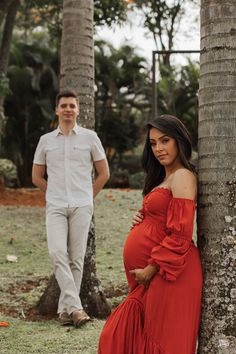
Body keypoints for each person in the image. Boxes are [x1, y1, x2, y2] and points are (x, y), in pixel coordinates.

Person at [98, 115, 202, 354]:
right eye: (153, 143)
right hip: (153, 275)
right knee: (120, 337)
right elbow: (163, 217)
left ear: (179, 141)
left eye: (165, 141)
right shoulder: (164, 178)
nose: (158, 148)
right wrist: (143, 217)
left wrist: (150, 269)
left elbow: (181, 235)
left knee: (160, 342)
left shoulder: (183, 176)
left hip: (170, 272)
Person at [32, 90, 109, 328]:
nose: (67, 109)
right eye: (63, 105)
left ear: (78, 110)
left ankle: (65, 311)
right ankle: (76, 307)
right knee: (57, 253)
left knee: (76, 259)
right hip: (55, 205)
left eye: (72, 106)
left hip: (81, 205)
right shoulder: (46, 140)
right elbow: (36, 176)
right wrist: (53, 192)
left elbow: (104, 173)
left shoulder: (90, 138)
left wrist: (88, 196)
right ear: (56, 110)